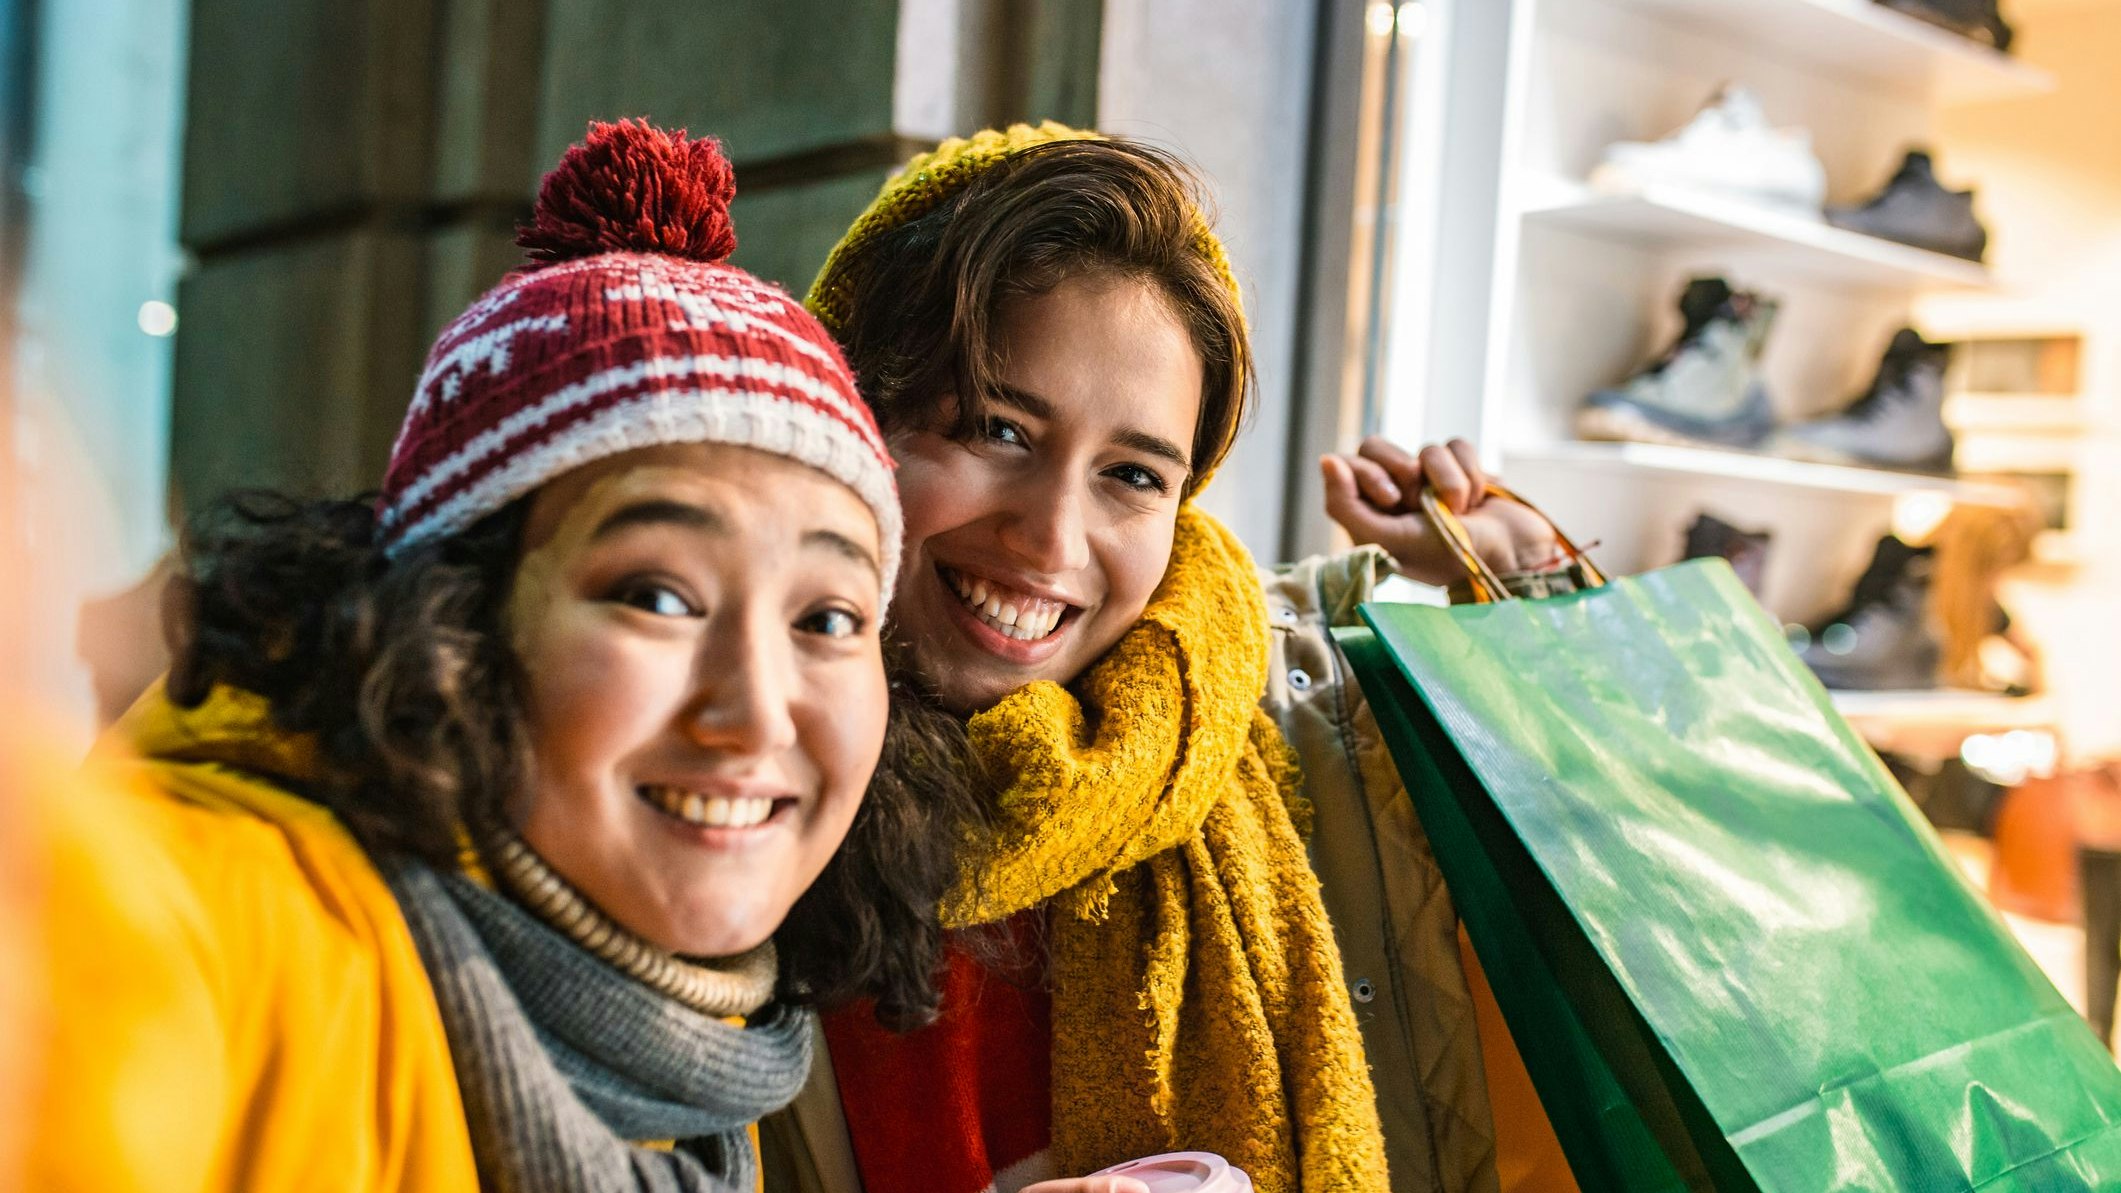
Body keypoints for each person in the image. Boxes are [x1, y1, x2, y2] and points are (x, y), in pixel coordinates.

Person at [22, 120, 950, 1193]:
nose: (755, 711)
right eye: (656, 595)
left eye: (827, 617)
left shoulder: (710, 1053)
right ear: (449, 622)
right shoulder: (240, 922)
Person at [763, 123, 1564, 1193]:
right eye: (997, 428)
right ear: (852, 414)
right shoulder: (718, 757)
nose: (1052, 540)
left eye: (1134, 476)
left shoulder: (1299, 712)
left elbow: (1644, 884)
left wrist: (1523, 585)